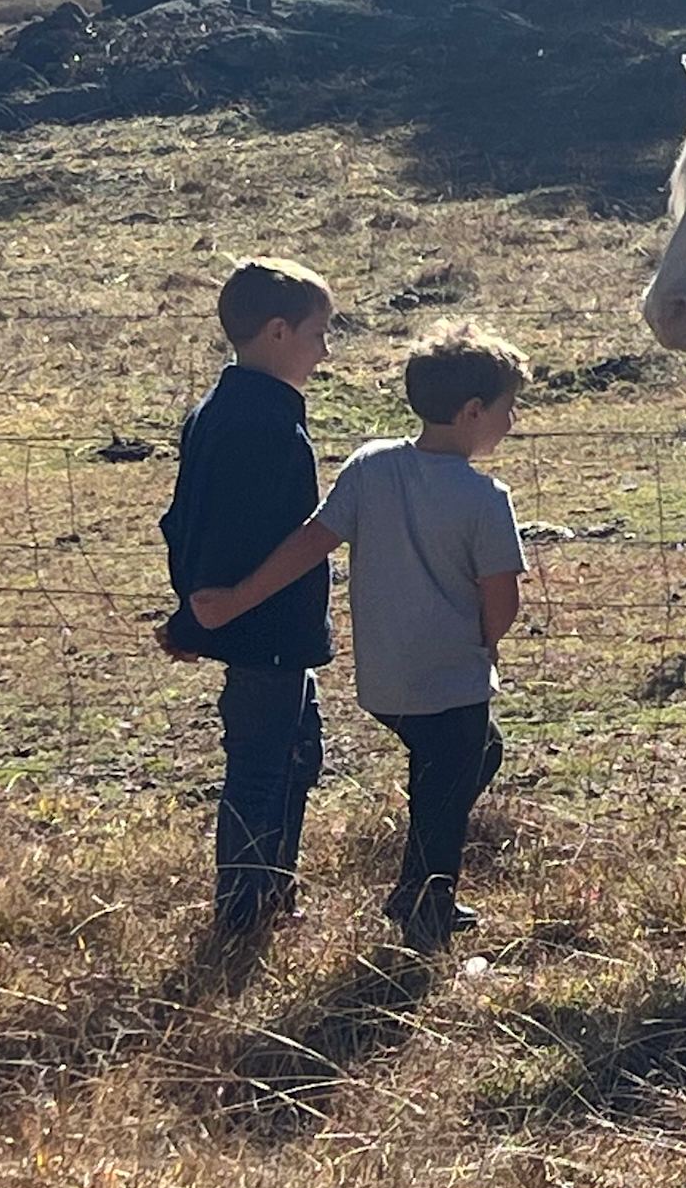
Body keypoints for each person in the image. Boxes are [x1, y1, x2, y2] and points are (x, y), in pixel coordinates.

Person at [192, 319, 531, 950]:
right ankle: (426, 905)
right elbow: (501, 600)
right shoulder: (488, 499)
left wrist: (239, 598)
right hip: (451, 677)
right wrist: (488, 642)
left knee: (471, 758)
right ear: (473, 410)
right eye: (507, 410)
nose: (511, 423)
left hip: (384, 680)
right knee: (447, 787)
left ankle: (415, 887)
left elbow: (310, 542)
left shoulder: (371, 466)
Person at [157, 258, 336, 939]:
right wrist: (213, 609)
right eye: (321, 330)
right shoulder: (258, 425)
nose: (327, 347)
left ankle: (270, 902)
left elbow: (185, 523)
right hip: (265, 631)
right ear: (279, 332)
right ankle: (242, 917)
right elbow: (233, 536)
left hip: (265, 631)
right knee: (261, 772)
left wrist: (194, 614)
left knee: (292, 757)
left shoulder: (223, 409)